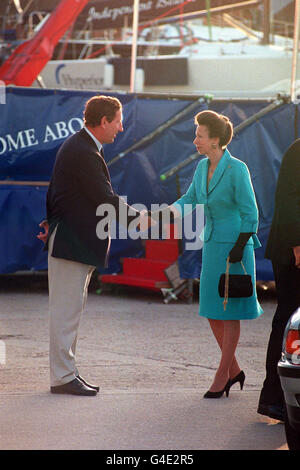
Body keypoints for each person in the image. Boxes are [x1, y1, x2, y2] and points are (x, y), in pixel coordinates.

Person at [144, 110, 263, 398]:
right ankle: (234, 370)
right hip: (211, 245)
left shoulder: (238, 169)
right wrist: (162, 215)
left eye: (199, 134)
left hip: (236, 247)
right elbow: (190, 199)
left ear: (215, 139)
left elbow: (251, 213)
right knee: (211, 310)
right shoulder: (200, 168)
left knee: (230, 311)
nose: (195, 139)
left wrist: (239, 247)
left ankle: (222, 375)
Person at [37, 95, 148, 396]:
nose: (121, 127)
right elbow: (104, 197)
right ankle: (62, 377)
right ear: (103, 122)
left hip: (73, 242)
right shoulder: (84, 151)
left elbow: (57, 191)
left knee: (69, 312)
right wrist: (138, 219)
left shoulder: (80, 147)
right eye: (117, 121)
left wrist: (50, 223)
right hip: (72, 244)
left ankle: (66, 374)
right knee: (66, 313)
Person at [257, 139, 300, 420]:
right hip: (292, 252)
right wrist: (298, 243)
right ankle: (273, 397)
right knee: (288, 320)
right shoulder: (297, 150)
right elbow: (288, 197)